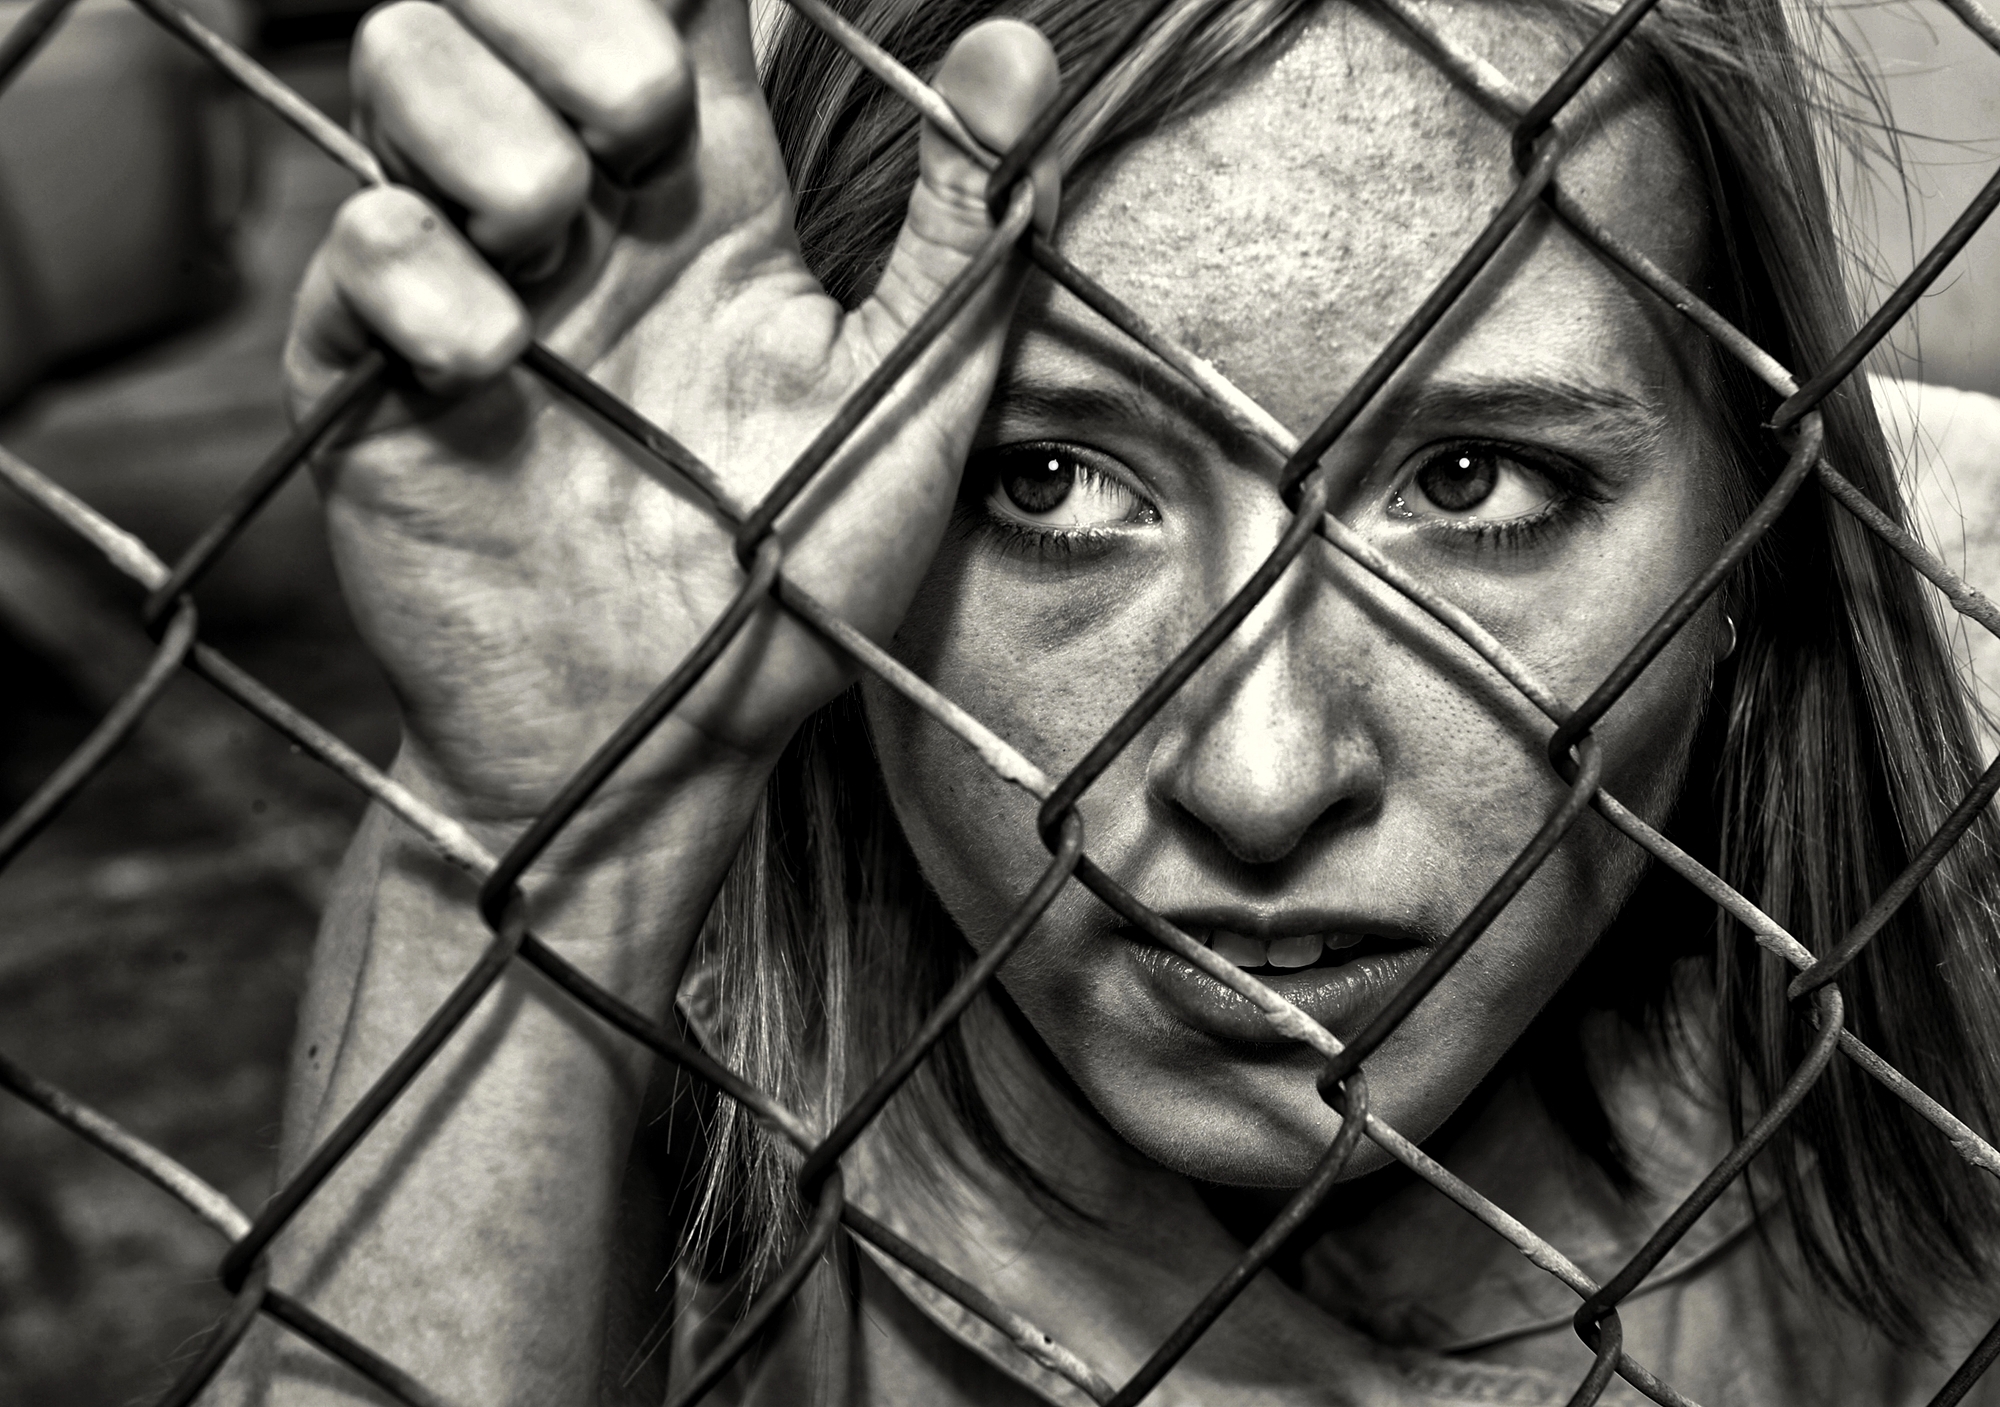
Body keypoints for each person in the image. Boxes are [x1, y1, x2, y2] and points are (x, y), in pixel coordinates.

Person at [243, 0, 2000, 1402]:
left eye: (1472, 483)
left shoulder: (1957, 951)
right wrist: (561, 819)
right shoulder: (655, 1053)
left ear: (1758, 535)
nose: (1257, 773)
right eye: (1051, 482)